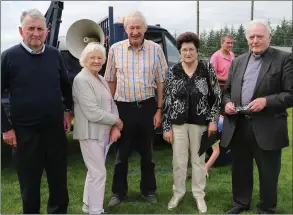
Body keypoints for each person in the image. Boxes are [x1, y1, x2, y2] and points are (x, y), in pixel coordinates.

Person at [1, 9, 72, 214]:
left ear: (47, 31)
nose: (35, 33)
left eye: (39, 29)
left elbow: (65, 86)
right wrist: (6, 129)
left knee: (59, 183)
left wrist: (67, 110)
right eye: (30, 28)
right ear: (21, 31)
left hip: (54, 131)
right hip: (25, 134)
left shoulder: (54, 55)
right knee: (30, 187)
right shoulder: (8, 57)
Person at [221, 19, 293, 214]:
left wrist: (266, 101)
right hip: (239, 124)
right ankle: (240, 203)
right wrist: (227, 103)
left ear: (269, 37)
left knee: (268, 172)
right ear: (247, 39)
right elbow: (226, 91)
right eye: (251, 37)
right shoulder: (238, 61)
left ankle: (267, 208)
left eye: (259, 36)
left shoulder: (284, 59)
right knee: (240, 168)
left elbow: (290, 93)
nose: (255, 40)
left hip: (268, 126)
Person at [104, 10, 168, 208]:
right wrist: (113, 112)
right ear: (125, 29)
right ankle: (118, 192)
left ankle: (148, 191)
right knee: (121, 155)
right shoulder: (115, 49)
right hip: (123, 108)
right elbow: (110, 81)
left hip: (148, 107)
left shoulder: (155, 49)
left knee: (147, 155)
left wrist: (158, 109)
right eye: (131, 27)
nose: (135, 31)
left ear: (145, 29)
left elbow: (161, 82)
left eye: (138, 27)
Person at [162, 32, 221, 213]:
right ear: (179, 51)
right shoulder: (173, 71)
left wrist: (213, 120)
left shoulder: (207, 68)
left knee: (198, 161)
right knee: (178, 161)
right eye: (184, 50)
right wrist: (166, 127)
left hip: (201, 123)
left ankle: (199, 194)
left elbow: (216, 96)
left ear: (197, 50)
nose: (188, 53)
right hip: (178, 124)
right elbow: (167, 100)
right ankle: (178, 193)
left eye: (191, 49)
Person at [72, 42, 123, 214]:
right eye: (92, 57)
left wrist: (115, 123)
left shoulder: (100, 78)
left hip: (103, 132)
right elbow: (92, 112)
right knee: (98, 172)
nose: (96, 61)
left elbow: (111, 102)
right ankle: (96, 210)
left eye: (99, 57)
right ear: (84, 59)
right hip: (89, 133)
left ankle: (88, 205)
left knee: (94, 171)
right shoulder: (81, 80)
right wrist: (116, 121)